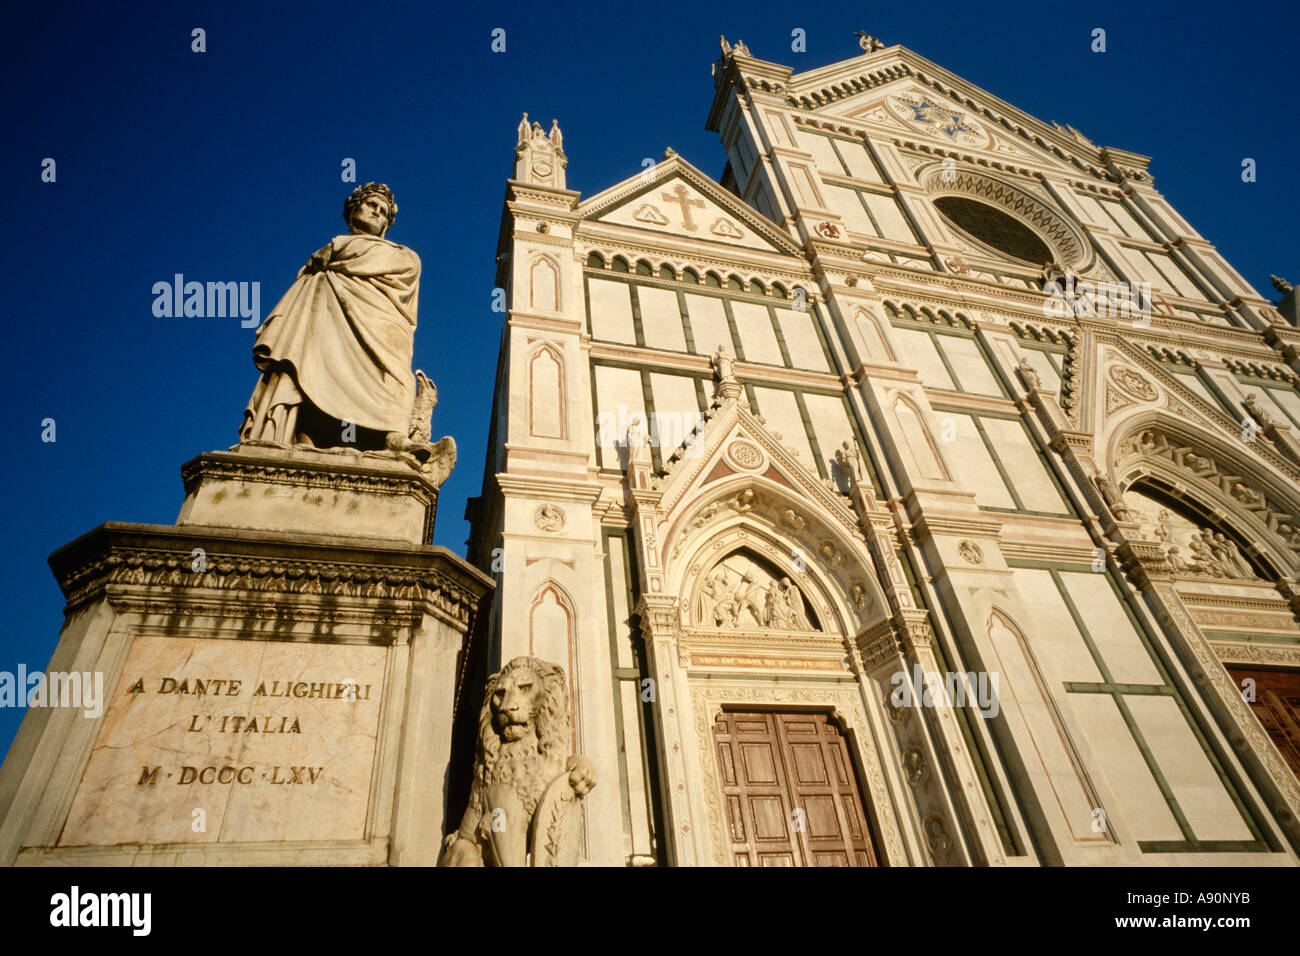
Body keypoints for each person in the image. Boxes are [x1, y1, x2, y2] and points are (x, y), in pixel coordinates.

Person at [240, 183, 422, 453]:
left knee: (397, 374)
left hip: (380, 325)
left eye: (383, 212)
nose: (376, 212)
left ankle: (391, 433)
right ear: (353, 210)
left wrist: (337, 249)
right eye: (371, 205)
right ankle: (308, 435)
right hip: (329, 321)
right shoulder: (321, 268)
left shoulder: (400, 256)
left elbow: (400, 265)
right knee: (315, 363)